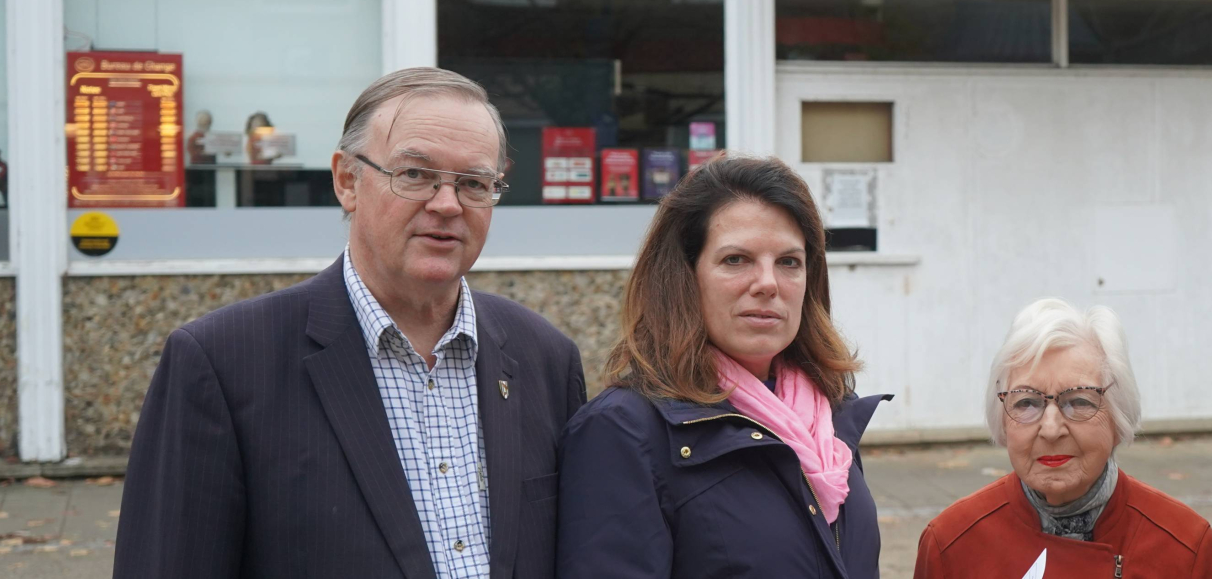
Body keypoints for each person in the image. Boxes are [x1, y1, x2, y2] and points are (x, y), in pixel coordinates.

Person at [115, 68, 585, 579]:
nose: (447, 205)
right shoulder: (221, 363)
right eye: (415, 175)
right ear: (347, 180)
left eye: (473, 183)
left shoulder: (545, 359)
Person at [557, 154, 887, 578]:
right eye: (736, 260)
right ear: (683, 277)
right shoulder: (623, 430)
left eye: (789, 262)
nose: (768, 283)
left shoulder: (830, 412)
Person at [915, 298, 1212, 578]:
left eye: (1079, 401)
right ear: (1003, 421)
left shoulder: (1185, 548)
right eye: (1027, 402)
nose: (1051, 430)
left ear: (1119, 416)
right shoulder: (951, 544)